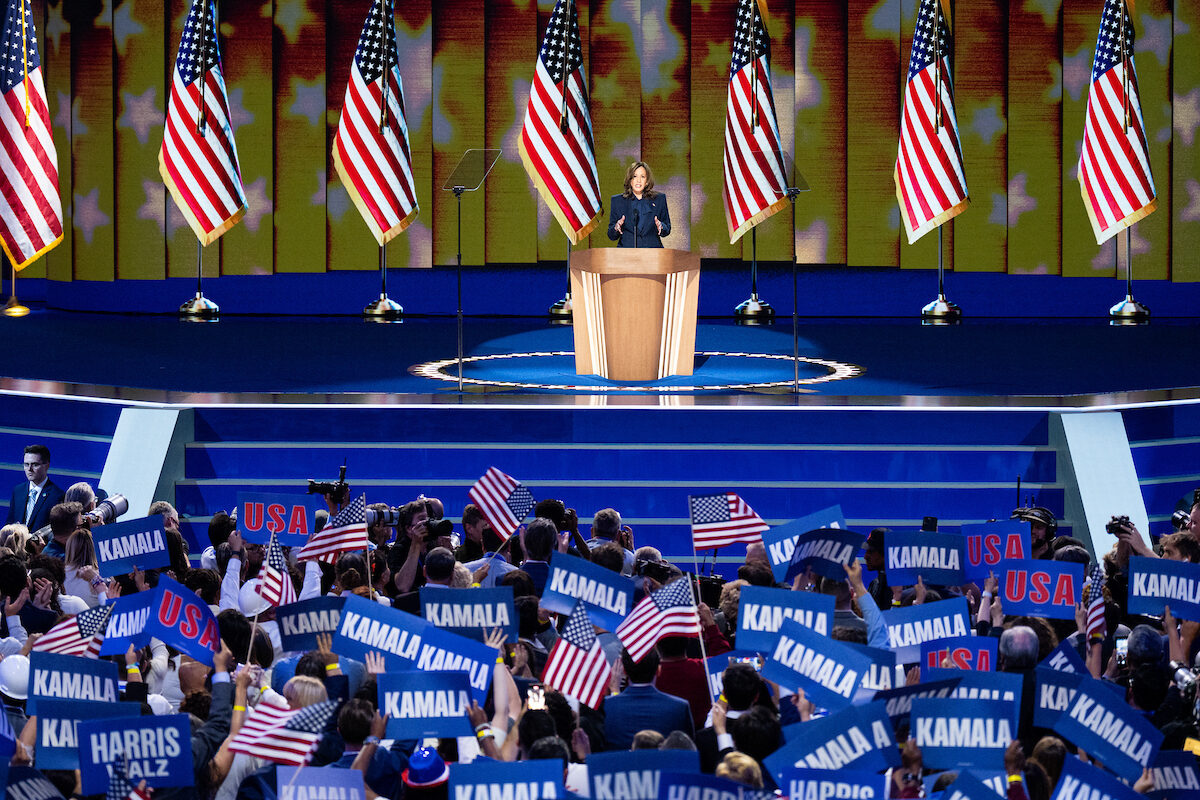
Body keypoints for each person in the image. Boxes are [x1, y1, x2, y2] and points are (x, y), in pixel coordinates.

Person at [607, 161, 671, 248]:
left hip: (652, 254)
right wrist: (616, 227)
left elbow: (667, 229)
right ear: (630, 180)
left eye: (643, 177)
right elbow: (611, 235)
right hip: (626, 255)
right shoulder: (617, 201)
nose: (638, 180)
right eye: (634, 176)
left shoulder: (659, 199)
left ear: (647, 181)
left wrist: (661, 226)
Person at [6, 445, 65, 533]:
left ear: (47, 466)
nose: (29, 469)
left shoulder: (57, 496)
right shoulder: (18, 491)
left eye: (35, 465)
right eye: (26, 464)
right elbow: (9, 524)